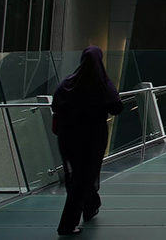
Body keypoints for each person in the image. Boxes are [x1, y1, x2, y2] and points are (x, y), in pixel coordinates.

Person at [51, 46, 124, 236]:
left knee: (78, 175)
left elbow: (56, 104)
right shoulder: (102, 84)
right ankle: (68, 224)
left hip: (68, 137)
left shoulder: (68, 83)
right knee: (86, 176)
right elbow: (117, 107)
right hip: (92, 137)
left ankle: (90, 206)